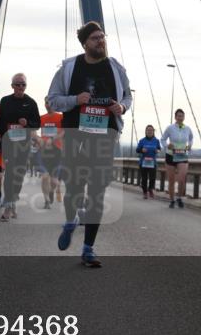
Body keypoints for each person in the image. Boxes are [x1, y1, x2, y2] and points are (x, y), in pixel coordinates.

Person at [47, 21, 132, 268]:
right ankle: (70, 221)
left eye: (102, 37)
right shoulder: (69, 68)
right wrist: (76, 99)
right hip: (76, 136)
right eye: (95, 38)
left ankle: (88, 248)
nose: (101, 41)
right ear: (85, 43)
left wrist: (122, 106)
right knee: (74, 188)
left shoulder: (116, 68)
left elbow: (128, 96)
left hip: (105, 136)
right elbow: (53, 100)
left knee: (97, 192)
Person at [0, 72, 42, 222]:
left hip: (23, 144)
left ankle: (13, 198)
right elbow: (0, 120)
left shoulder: (31, 102)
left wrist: (27, 124)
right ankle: (8, 206)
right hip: (8, 142)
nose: (21, 87)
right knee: (10, 173)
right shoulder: (5, 101)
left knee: (19, 174)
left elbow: (37, 124)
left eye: (23, 84)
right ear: (12, 86)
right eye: (18, 84)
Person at [161, 109, 194, 208]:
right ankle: (172, 200)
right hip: (171, 155)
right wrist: (167, 145)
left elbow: (191, 138)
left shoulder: (187, 128)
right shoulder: (170, 128)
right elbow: (162, 139)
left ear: (184, 117)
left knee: (181, 179)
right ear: (175, 117)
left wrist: (190, 145)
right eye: (178, 116)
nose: (180, 118)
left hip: (182, 155)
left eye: (182, 116)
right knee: (171, 180)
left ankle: (179, 198)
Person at [38, 96, 65, 208]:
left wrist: (53, 139)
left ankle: (51, 191)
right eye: (46, 103)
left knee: (54, 182)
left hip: (57, 152)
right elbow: (34, 131)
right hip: (43, 151)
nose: (48, 105)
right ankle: (46, 201)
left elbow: (63, 132)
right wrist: (38, 140)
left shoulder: (60, 117)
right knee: (44, 176)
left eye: (50, 102)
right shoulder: (41, 118)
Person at [136, 124, 161, 199]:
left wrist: (157, 151)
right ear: (146, 131)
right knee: (144, 178)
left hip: (152, 163)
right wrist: (142, 150)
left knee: (152, 178)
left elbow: (159, 149)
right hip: (143, 162)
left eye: (151, 130)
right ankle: (145, 192)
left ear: (153, 132)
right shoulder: (142, 141)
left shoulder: (156, 141)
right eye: (148, 130)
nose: (149, 131)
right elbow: (137, 150)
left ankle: (150, 189)